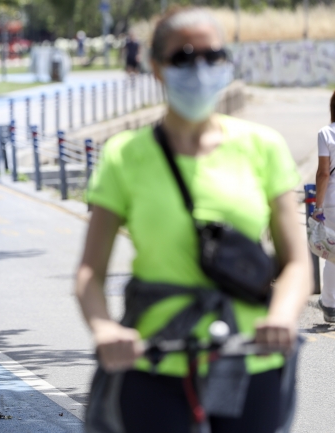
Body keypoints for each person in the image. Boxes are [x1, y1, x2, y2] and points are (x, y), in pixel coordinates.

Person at [76, 7, 312, 433]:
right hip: (156, 359)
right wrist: (105, 328)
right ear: (157, 68)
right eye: (184, 58)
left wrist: (282, 315)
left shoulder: (263, 147)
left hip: (249, 355)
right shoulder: (124, 156)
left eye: (213, 56)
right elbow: (90, 272)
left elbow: (296, 261)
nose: (200, 68)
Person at [312, 90, 335, 323]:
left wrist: (317, 206)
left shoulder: (326, 133)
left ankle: (329, 305)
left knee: (332, 255)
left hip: (332, 202)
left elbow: (323, 173)